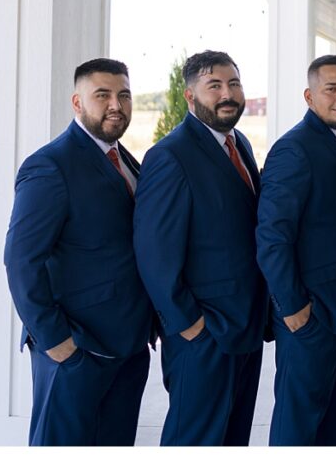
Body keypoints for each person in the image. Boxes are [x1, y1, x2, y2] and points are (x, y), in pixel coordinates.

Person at [4, 58, 153, 446]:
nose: (115, 105)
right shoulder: (50, 165)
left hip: (128, 347)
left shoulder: (128, 162)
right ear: (77, 102)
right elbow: (21, 260)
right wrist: (57, 343)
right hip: (77, 349)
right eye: (102, 95)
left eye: (123, 95)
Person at [133, 50, 266, 446]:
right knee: (193, 440)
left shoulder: (238, 143)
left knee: (232, 439)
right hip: (202, 334)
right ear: (190, 96)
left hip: (244, 327)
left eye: (234, 84)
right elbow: (154, 253)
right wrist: (188, 324)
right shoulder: (170, 156)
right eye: (215, 86)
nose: (228, 94)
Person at [256, 54, 336, 445]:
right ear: (309, 96)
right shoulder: (294, 150)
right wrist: (292, 307)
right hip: (309, 316)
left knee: (335, 428)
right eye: (331, 89)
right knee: (297, 428)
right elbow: (272, 237)